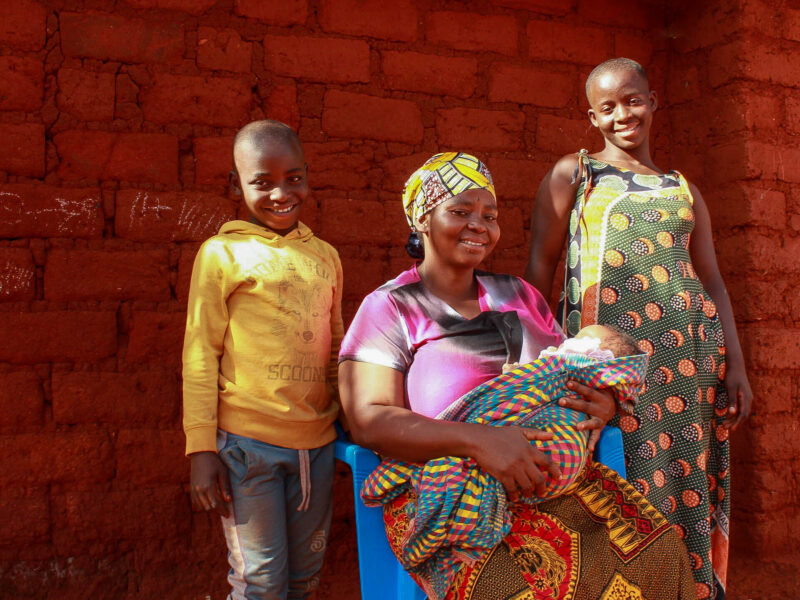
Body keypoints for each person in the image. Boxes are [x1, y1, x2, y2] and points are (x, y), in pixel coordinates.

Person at [340, 152, 696, 600]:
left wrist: (601, 402)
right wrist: (479, 441)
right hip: (453, 485)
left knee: (659, 554)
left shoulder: (519, 295)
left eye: (489, 215)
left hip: (551, 474)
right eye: (460, 211)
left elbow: (569, 367)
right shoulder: (392, 307)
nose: (479, 225)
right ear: (423, 220)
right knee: (509, 585)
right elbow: (369, 419)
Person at [525, 57, 752, 600]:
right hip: (615, 377)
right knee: (620, 484)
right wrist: (540, 366)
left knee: (685, 482)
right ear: (593, 117)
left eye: (632, 100)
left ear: (653, 102)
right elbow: (537, 274)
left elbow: (714, 283)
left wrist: (736, 368)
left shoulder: (683, 189)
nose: (622, 114)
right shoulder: (574, 175)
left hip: (690, 368)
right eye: (607, 107)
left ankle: (690, 588)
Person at [182, 120, 344, 600]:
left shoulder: (326, 257)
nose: (281, 193)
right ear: (236, 185)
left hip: (315, 446)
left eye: (293, 178)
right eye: (262, 182)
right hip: (246, 449)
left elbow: (334, 348)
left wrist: (350, 416)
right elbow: (199, 352)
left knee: (303, 582)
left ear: (307, 176)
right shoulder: (222, 253)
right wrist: (200, 449)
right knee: (261, 584)